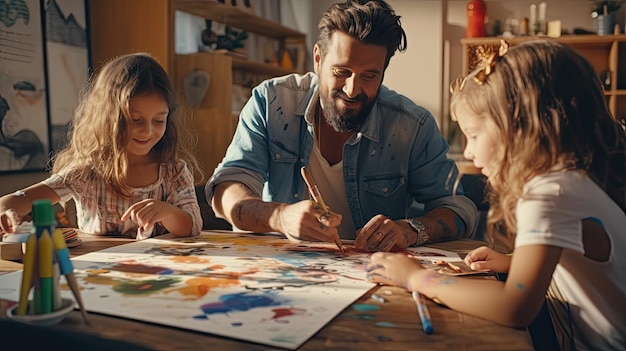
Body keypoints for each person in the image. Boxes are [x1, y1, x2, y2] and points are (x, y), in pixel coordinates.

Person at [367, 40, 626, 350]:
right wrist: (511, 261)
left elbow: (515, 307)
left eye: (474, 135)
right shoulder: (574, 180)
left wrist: (417, 279)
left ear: (520, 126)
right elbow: (572, 245)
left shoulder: (548, 193)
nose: (471, 152)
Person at [205, 0, 477, 252]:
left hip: (373, 276)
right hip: (280, 270)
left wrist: (411, 230)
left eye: (370, 76)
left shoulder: (412, 125)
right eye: (341, 72)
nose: (352, 89)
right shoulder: (271, 102)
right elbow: (226, 190)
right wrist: (278, 216)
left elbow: (457, 208)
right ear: (318, 59)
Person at [0, 53, 203, 240]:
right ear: (108, 117)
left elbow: (192, 226)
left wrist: (167, 212)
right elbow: (18, 200)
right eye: (135, 120)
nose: (147, 131)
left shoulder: (174, 172)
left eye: (159, 121)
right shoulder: (86, 172)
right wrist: (6, 211)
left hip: (160, 273)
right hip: (97, 274)